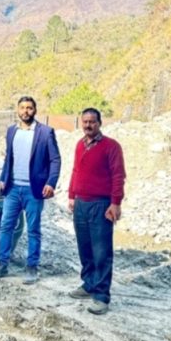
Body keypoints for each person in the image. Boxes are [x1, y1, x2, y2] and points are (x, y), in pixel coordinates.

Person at [0, 96, 61, 284]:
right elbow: (8, 158)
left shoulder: (45, 132)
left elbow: (55, 159)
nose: (25, 111)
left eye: (29, 108)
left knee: (33, 230)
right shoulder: (12, 131)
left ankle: (32, 268)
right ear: (17, 110)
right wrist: (3, 179)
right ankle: (2, 265)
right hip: (12, 189)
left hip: (33, 190)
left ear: (35, 110)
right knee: (6, 227)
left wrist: (51, 183)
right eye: (22, 108)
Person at [67, 107, 126, 315]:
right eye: (85, 121)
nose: (88, 125)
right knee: (85, 249)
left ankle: (101, 296)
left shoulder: (111, 146)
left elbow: (118, 176)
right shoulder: (79, 145)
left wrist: (115, 203)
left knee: (101, 252)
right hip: (80, 204)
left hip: (101, 205)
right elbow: (75, 171)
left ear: (100, 123)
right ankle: (89, 284)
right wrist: (72, 195)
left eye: (92, 121)